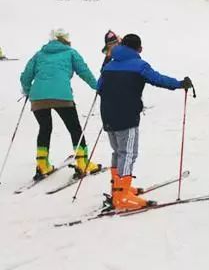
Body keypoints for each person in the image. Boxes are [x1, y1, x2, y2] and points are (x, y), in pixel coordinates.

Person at [97, 34, 191, 211]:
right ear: (137, 48)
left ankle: (118, 188)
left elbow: (99, 87)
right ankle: (121, 195)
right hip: (127, 115)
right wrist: (179, 84)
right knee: (128, 152)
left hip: (108, 115)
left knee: (117, 151)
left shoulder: (109, 65)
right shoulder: (139, 65)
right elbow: (157, 79)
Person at [20, 29, 100, 180]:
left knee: (44, 128)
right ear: (66, 40)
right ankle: (82, 162)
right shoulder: (70, 52)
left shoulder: (39, 54)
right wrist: (97, 86)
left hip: (38, 97)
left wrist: (28, 91)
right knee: (74, 128)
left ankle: (42, 165)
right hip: (61, 96)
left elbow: (25, 76)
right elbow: (84, 71)